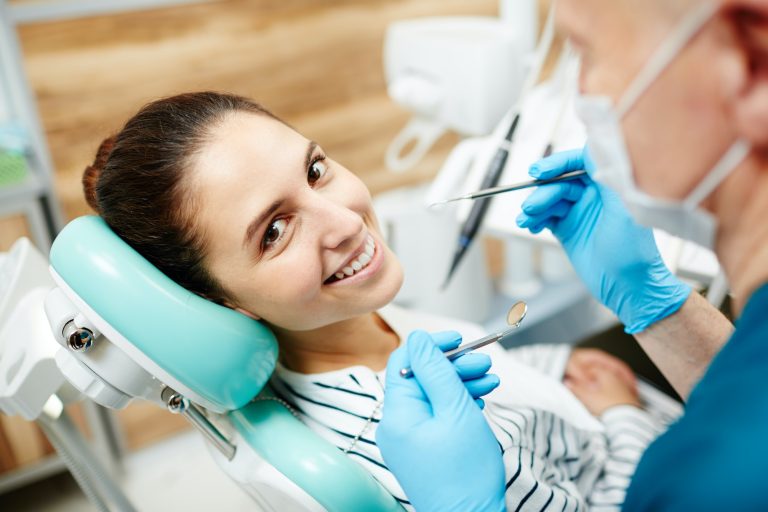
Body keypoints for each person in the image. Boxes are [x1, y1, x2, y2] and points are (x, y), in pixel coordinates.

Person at [81, 92, 676, 511]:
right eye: (274, 231)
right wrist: (620, 414)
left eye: (315, 171)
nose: (344, 220)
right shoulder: (399, 442)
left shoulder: (345, 320)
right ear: (220, 301)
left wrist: (554, 367)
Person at [376, 0, 768, 510]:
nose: (579, 95)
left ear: (754, 63)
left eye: (584, 51)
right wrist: (652, 303)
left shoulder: (706, 484)